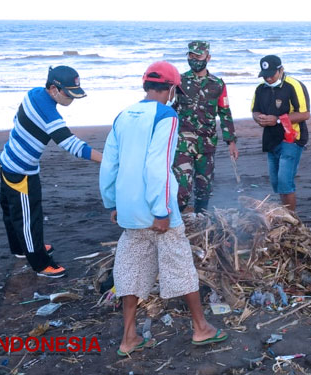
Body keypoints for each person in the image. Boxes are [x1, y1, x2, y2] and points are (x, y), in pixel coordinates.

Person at [99, 61, 228, 357]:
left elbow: (109, 164)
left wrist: (112, 203)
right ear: (171, 89)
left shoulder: (123, 115)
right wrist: (161, 211)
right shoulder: (166, 115)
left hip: (129, 209)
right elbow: (157, 166)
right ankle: (201, 328)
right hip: (156, 208)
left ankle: (129, 337)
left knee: (129, 269)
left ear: (146, 85)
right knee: (180, 264)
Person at [0, 65, 102, 278]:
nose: (72, 100)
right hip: (22, 171)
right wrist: (107, 160)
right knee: (29, 219)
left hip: (8, 159)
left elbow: (17, 121)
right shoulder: (49, 114)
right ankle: (40, 263)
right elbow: (71, 145)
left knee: (11, 212)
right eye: (69, 94)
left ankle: (20, 249)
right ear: (54, 89)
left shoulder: (34, 94)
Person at [173, 40, 238, 213]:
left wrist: (231, 141)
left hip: (206, 144)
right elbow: (169, 110)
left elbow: (224, 112)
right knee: (181, 188)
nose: (194, 59)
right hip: (182, 144)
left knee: (204, 188)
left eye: (198, 56)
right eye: (191, 55)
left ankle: (201, 220)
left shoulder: (217, 84)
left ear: (208, 57)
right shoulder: (178, 82)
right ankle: (178, 222)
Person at [251, 55, 310, 212]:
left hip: (292, 139)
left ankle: (291, 220)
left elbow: (304, 114)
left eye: (272, 74)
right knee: (276, 183)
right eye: (265, 75)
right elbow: (254, 110)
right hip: (271, 140)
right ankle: (285, 215)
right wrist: (259, 118)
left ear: (281, 70)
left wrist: (277, 120)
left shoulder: (294, 86)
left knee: (285, 182)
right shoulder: (260, 89)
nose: (268, 79)